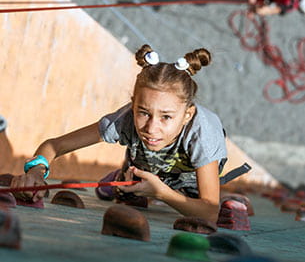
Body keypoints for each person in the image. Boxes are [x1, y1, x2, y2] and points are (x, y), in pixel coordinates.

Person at [10, 44, 249, 223]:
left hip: (189, 180)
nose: (151, 128)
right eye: (143, 113)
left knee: (197, 200)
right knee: (115, 188)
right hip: (148, 168)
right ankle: (127, 176)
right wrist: (36, 172)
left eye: (166, 117)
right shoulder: (124, 120)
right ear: (133, 105)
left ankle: (138, 181)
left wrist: (161, 193)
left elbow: (209, 211)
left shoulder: (202, 134)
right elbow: (54, 146)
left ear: (187, 115)